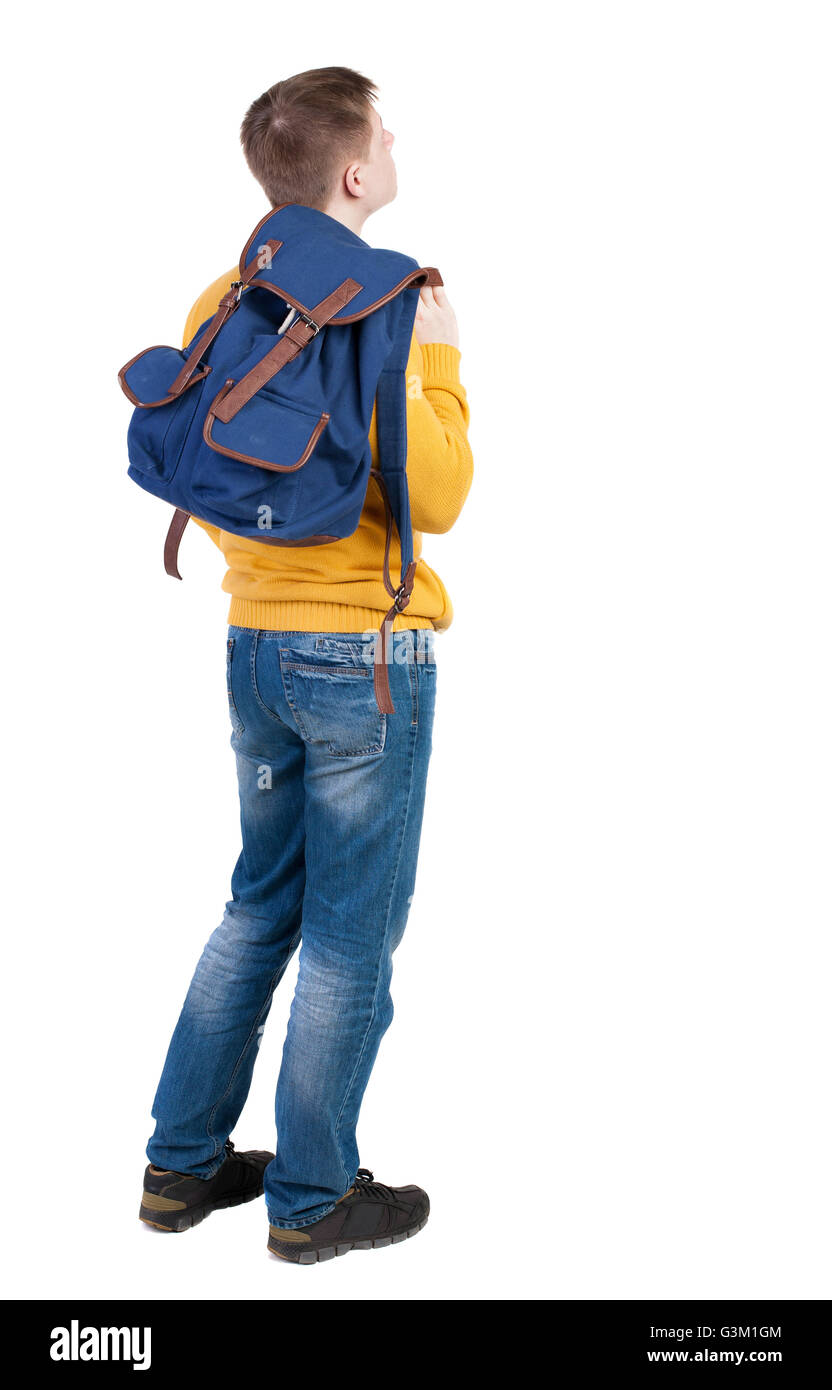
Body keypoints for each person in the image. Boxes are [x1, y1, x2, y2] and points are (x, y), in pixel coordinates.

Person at [139, 67, 473, 1264]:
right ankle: (313, 1196)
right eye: (384, 130)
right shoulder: (400, 302)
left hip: (254, 645)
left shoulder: (225, 293)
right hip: (367, 661)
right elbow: (437, 493)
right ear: (352, 172)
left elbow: (209, 470)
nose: (393, 144)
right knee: (348, 934)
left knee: (258, 903)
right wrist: (434, 362)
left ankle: (179, 1169)